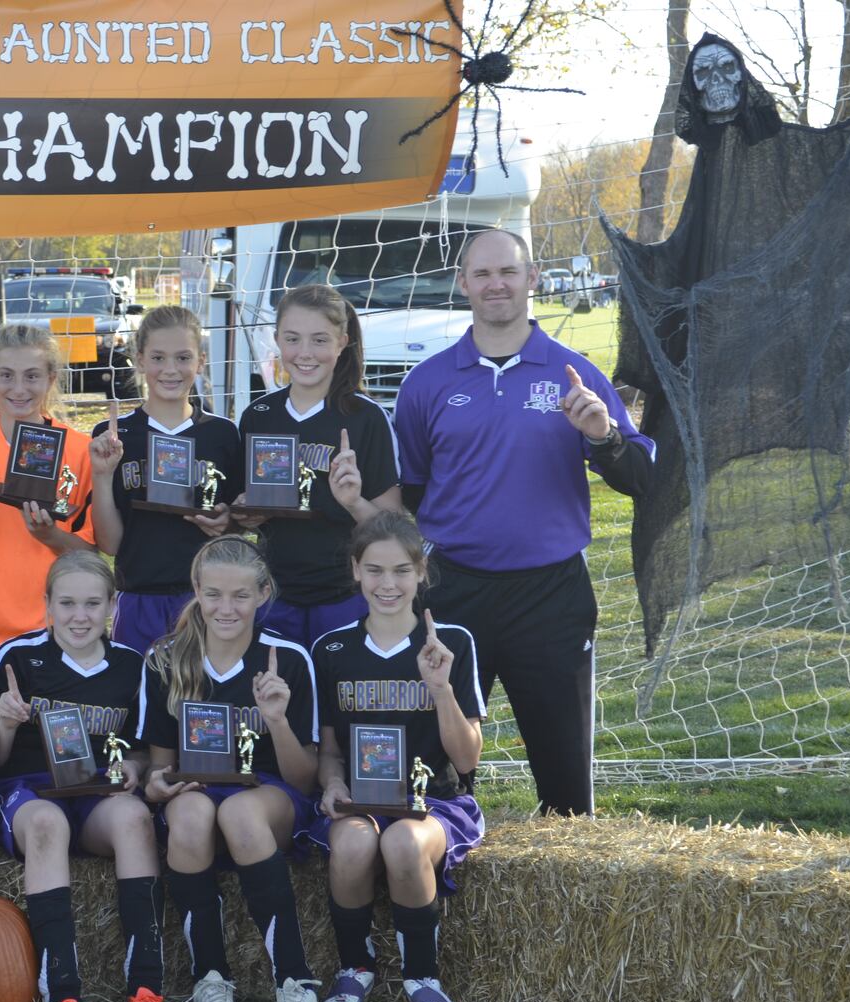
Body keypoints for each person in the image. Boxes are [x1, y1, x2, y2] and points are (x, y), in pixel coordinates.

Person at [392, 229, 653, 816]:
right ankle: (436, 889)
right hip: (453, 590)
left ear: (533, 279)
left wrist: (602, 436)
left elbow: (641, 478)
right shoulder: (427, 383)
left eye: (508, 272)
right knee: (439, 781)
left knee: (566, 788)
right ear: (463, 284)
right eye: (482, 274)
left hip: (551, 592)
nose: (496, 284)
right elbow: (410, 488)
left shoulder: (574, 374)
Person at [134, 536, 322, 1002]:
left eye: (241, 595)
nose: (226, 607)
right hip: (196, 796)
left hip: (267, 796)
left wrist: (277, 721)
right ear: (196, 589)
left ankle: (295, 978)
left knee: (239, 811)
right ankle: (210, 976)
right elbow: (160, 768)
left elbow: (304, 777)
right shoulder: (165, 660)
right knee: (194, 813)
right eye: (213, 593)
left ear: (263, 594)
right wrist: (157, 787)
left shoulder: (288, 660)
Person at [308, 512, 484, 1002]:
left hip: (435, 804)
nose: (389, 584)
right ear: (356, 570)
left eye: (402, 570)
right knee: (355, 844)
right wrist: (334, 783)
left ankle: (423, 981)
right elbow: (330, 751)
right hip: (362, 802)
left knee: (404, 844)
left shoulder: (451, 642)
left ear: (421, 572)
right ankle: (353, 969)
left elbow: (468, 758)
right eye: (376, 570)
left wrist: (441, 689)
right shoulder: (332, 648)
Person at [0, 553, 165, 1002]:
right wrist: (4, 723)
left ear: (112, 605)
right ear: (46, 605)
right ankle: (63, 1001)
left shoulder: (134, 665)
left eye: (92, 603)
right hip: (29, 793)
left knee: (134, 817)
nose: (79, 616)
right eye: (67, 603)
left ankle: (146, 991)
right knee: (47, 825)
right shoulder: (14, 658)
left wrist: (134, 766)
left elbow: (145, 751)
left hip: (95, 795)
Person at [233, 283, 401, 648]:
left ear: (342, 342)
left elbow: (394, 529)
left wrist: (354, 501)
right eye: (293, 339)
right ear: (276, 339)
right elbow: (243, 510)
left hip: (347, 595)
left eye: (320, 340)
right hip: (274, 594)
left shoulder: (366, 418)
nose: (305, 353)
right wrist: (244, 513)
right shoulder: (259, 416)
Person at [88, 305, 241, 652]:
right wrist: (101, 475)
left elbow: (238, 526)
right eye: (158, 358)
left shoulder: (223, 434)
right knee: (143, 700)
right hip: (139, 598)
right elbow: (110, 545)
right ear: (139, 360)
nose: (170, 370)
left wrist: (228, 521)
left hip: (208, 602)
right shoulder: (114, 435)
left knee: (203, 701)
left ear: (200, 361)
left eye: (183, 358)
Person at [0, 324, 97, 656]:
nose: (19, 389)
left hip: (61, 631)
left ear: (51, 379)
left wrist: (49, 535)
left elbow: (89, 557)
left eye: (32, 376)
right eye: (7, 376)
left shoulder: (80, 451)